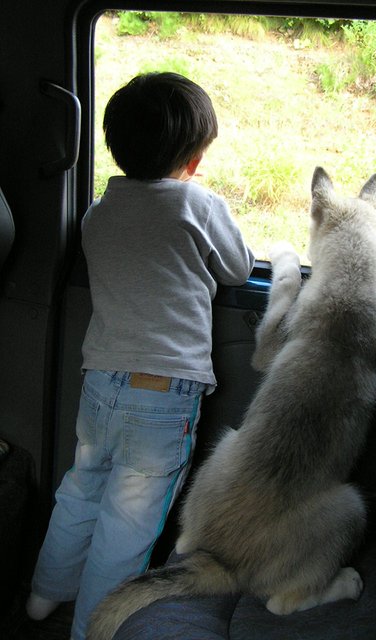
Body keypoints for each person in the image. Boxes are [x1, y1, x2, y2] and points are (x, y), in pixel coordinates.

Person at [26, 72, 255, 640]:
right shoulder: (197, 204)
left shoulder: (99, 211)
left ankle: (42, 595)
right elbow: (238, 267)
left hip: (100, 383)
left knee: (80, 491)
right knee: (128, 523)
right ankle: (92, 629)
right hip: (162, 394)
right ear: (194, 159)